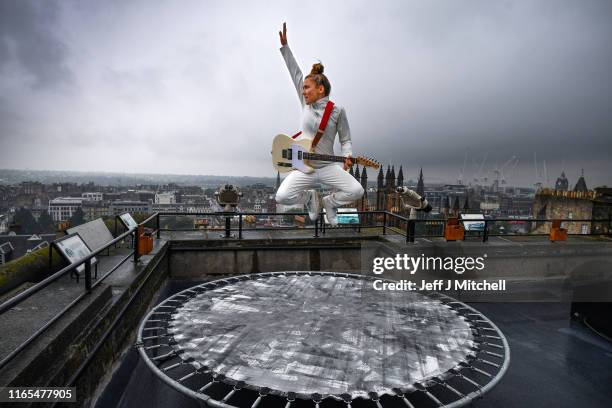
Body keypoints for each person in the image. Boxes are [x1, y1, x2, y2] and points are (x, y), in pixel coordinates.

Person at [275, 22, 364, 226]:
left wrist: (348, 155)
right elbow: (295, 73)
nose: (303, 91)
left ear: (320, 89)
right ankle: (309, 198)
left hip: (327, 166)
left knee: (357, 191)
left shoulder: (337, 111)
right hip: (303, 167)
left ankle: (329, 202)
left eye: (307, 88)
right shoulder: (305, 104)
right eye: (303, 88)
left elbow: (346, 139)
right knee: (281, 197)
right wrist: (285, 48)